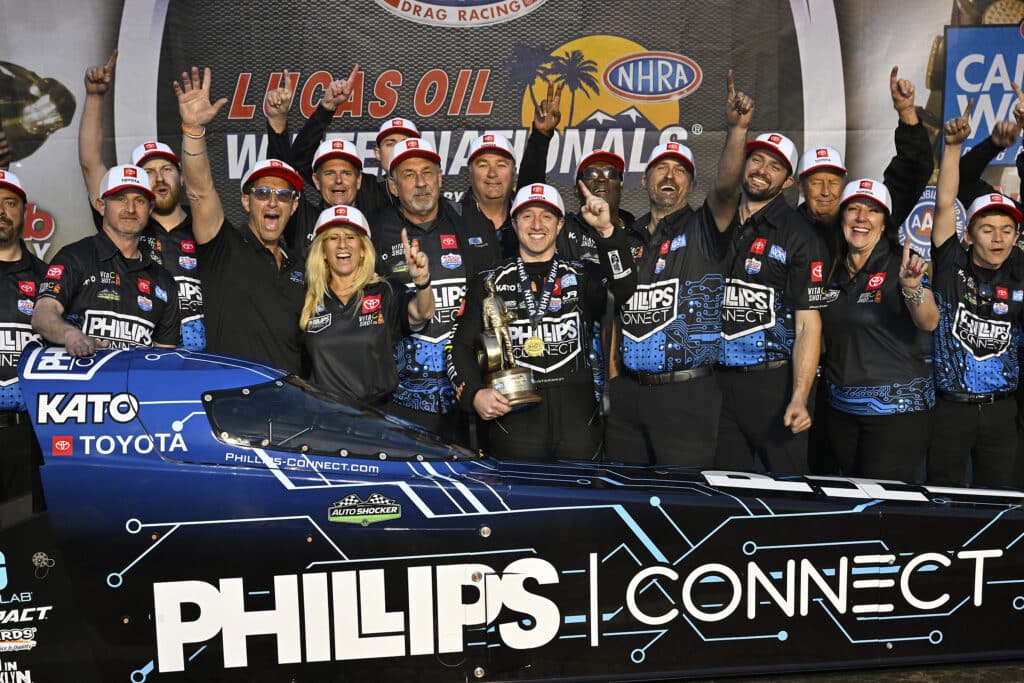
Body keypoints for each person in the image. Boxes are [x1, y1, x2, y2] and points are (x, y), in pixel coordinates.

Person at [607, 70, 753, 466]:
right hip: (629, 393)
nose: (669, 176)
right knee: (626, 499)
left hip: (686, 393)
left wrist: (736, 131)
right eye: (661, 168)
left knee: (682, 505)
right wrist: (613, 380)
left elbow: (725, 190)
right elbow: (616, 311)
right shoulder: (626, 236)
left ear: (690, 183)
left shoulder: (706, 226)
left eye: (680, 171)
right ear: (644, 179)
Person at [447, 183, 636, 460]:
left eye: (546, 216)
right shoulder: (488, 280)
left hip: (578, 425)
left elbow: (623, 286)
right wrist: (474, 395)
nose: (537, 224)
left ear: (560, 225)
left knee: (582, 503)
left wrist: (607, 233)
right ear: (514, 223)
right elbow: (459, 347)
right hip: (513, 423)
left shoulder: (583, 275)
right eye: (527, 216)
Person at [175, 66, 306, 374]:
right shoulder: (223, 246)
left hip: (290, 407)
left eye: (283, 195)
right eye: (262, 193)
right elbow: (200, 190)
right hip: (234, 405)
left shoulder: (301, 267)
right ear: (246, 201)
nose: (273, 201)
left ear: (294, 206)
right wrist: (193, 131)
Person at [715, 132, 830, 475]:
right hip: (716, 384)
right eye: (757, 159)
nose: (762, 169)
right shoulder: (716, 221)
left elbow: (809, 324)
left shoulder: (800, 236)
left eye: (775, 165)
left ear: (789, 181)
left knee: (788, 494)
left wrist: (799, 396)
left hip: (773, 384)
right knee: (721, 490)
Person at [78, 50, 205, 350]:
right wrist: (95, 97)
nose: (159, 178)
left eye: (166, 170)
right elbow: (90, 163)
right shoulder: (127, 223)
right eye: (148, 172)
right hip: (144, 358)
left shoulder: (205, 227)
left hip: (203, 359)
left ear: (182, 176)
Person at [372, 137, 496, 442]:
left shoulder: (474, 226)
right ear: (392, 185)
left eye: (427, 172)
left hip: (468, 398)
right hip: (402, 401)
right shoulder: (373, 233)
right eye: (409, 175)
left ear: (440, 178)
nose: (420, 183)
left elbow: (495, 307)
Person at [928, 103, 1024, 489]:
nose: (998, 237)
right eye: (987, 229)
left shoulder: (1019, 269)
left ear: (1017, 238)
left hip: (1004, 411)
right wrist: (952, 147)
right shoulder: (951, 260)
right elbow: (944, 201)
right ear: (968, 234)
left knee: (1002, 504)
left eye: (1006, 230)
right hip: (951, 408)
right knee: (943, 503)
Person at [819, 180, 937, 481]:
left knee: (885, 512)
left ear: (885, 224)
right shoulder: (829, 266)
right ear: (842, 217)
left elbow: (929, 320)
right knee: (851, 507)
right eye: (854, 209)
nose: (861, 218)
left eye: (872, 211)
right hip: (840, 413)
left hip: (895, 415)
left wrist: (911, 288)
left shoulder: (902, 265)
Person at [32, 165, 180, 355]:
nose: (131, 209)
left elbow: (164, 359)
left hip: (135, 385)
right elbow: (42, 314)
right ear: (101, 206)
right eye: (121, 199)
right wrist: (70, 335)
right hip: (80, 382)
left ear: (150, 208)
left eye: (140, 201)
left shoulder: (163, 280)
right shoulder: (75, 256)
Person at [301, 205, 433, 405]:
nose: (342, 245)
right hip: (325, 420)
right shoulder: (308, 298)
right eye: (334, 238)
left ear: (363, 250)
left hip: (376, 420)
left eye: (351, 237)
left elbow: (422, 313)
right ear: (324, 252)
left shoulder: (383, 291)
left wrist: (422, 281)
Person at [0, 170, 47, 515]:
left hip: (28, 434)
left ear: (25, 212)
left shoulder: (50, 280)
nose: (1, 211)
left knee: (26, 549)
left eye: (10, 203)